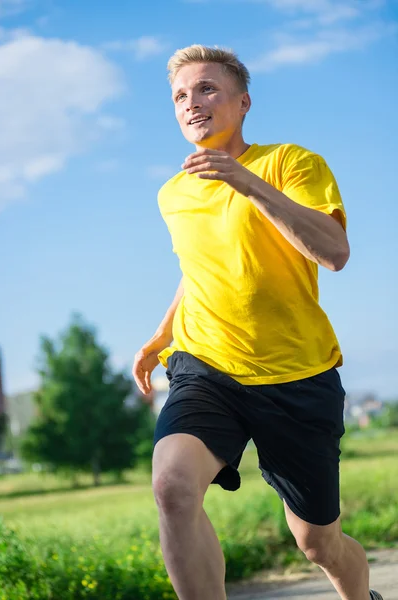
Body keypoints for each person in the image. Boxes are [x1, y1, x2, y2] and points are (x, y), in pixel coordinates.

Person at [132, 45, 383, 600]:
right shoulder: (173, 193)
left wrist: (245, 182)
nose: (191, 103)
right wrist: (162, 333)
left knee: (318, 543)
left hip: (298, 375)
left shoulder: (291, 163)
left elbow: (334, 251)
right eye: (180, 95)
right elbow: (200, 268)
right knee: (172, 485)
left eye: (207, 89)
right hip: (208, 366)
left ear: (242, 103)